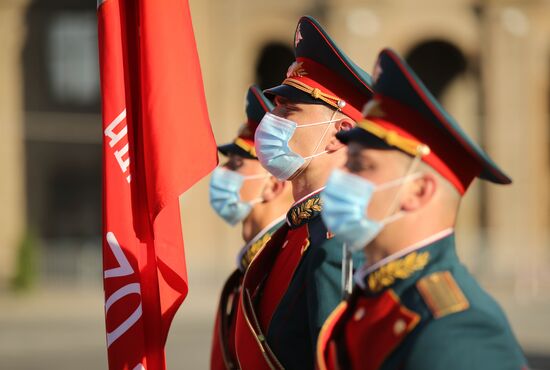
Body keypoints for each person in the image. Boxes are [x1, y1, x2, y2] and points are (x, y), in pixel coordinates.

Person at [317, 48, 528, 370]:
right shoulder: (378, 296)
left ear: (418, 190)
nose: (339, 177)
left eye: (359, 166)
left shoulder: (457, 331)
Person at [234, 16, 374, 370]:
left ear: (339, 133)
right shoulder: (297, 230)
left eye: (289, 109)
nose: (272, 119)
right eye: (276, 106)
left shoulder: (338, 237)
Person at [209, 85, 293, 370]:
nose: (221, 172)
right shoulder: (253, 263)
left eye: (235, 164)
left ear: (273, 185)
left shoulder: (288, 260)